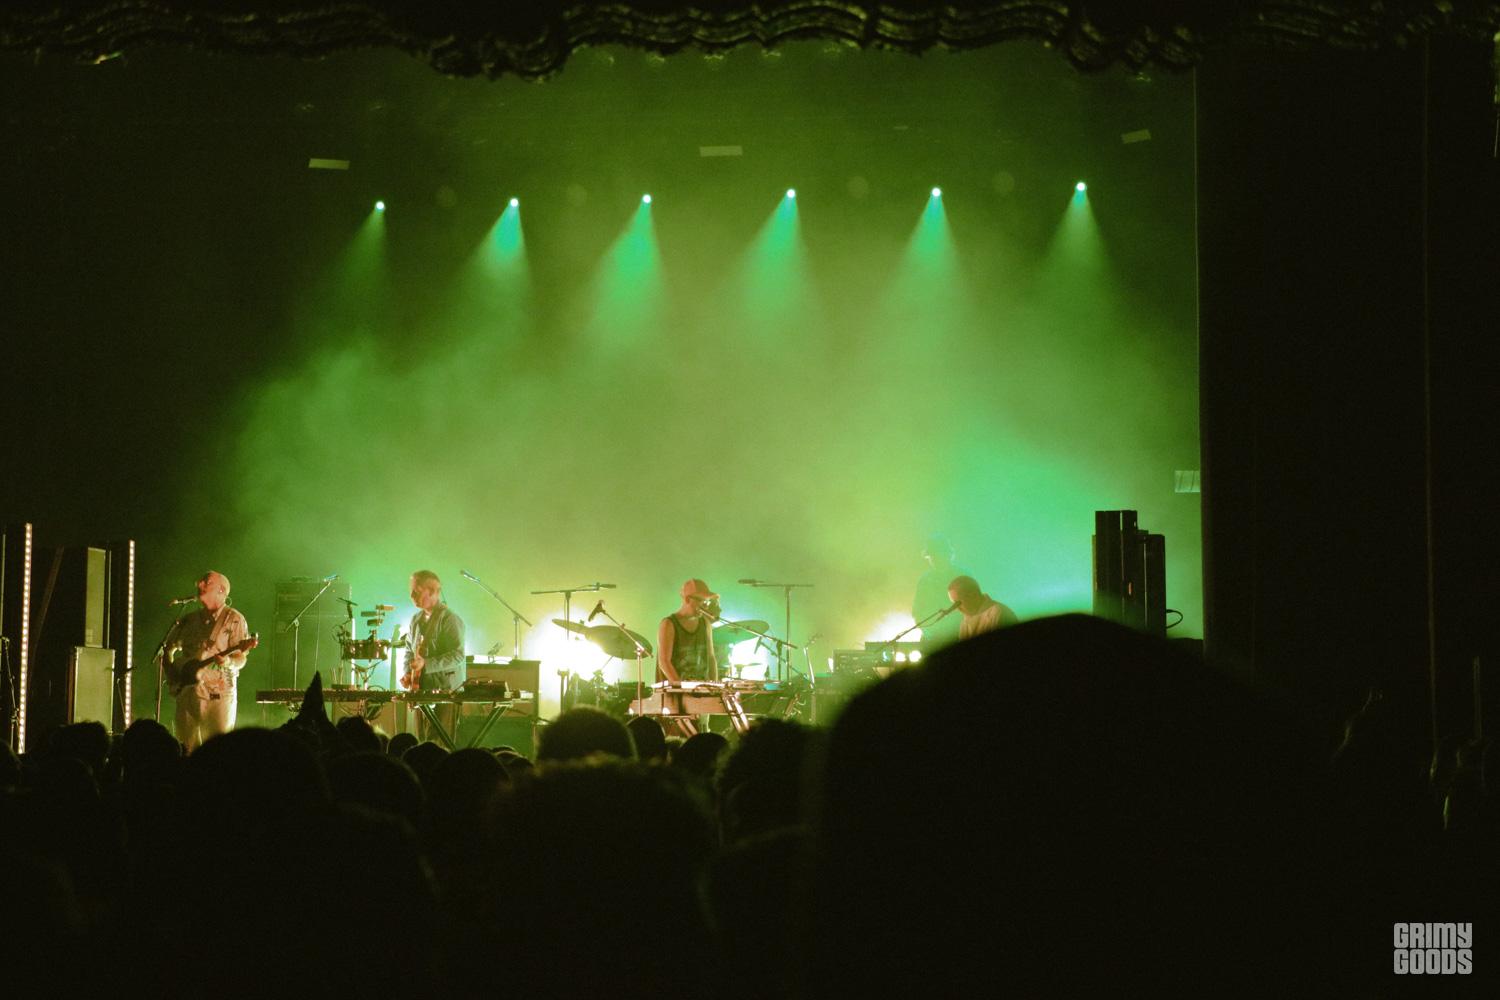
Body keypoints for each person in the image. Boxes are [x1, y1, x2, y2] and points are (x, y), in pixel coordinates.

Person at [161, 570, 254, 752]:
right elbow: (168, 649)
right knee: (187, 750)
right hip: (188, 695)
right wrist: (173, 677)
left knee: (218, 751)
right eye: (201, 581)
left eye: (207, 582)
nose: (200, 584)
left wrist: (228, 662)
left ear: (221, 590)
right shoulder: (189, 620)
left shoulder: (234, 619)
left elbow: (241, 657)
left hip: (218, 696)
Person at [402, 570, 466, 742]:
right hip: (421, 690)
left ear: (432, 592)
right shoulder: (415, 619)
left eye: (416, 591)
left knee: (438, 743)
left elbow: (458, 655)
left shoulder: (450, 619)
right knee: (421, 741)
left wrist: (426, 664)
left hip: (446, 691)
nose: (411, 595)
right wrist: (407, 673)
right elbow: (409, 650)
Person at [656, 578, 720, 685]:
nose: (705, 606)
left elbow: (711, 657)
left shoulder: (705, 623)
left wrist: (715, 685)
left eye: (707, 602)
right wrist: (681, 687)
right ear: (687, 599)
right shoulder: (668, 624)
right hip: (675, 690)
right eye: (701, 601)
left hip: (701, 689)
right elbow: (664, 662)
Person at [912, 534, 967, 651]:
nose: (934, 559)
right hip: (932, 639)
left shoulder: (962, 575)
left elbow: (974, 606)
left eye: (937, 555)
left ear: (948, 555)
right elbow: (917, 610)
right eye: (932, 556)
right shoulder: (925, 580)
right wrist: (926, 631)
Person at [947, 575, 1018, 641]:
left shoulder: (999, 614)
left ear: (973, 595)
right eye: (954, 604)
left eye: (957, 603)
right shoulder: (965, 622)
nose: (957, 608)